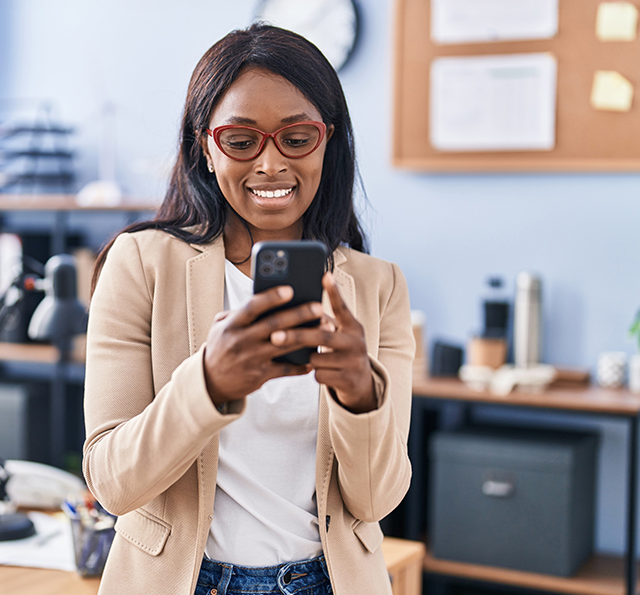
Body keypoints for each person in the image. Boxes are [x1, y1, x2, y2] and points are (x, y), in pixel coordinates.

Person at [80, 24, 414, 595]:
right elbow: (113, 484)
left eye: (297, 137)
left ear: (328, 141)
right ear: (205, 147)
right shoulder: (140, 263)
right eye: (241, 141)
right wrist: (208, 383)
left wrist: (361, 393)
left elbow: (376, 500)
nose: (270, 164)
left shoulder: (377, 287)